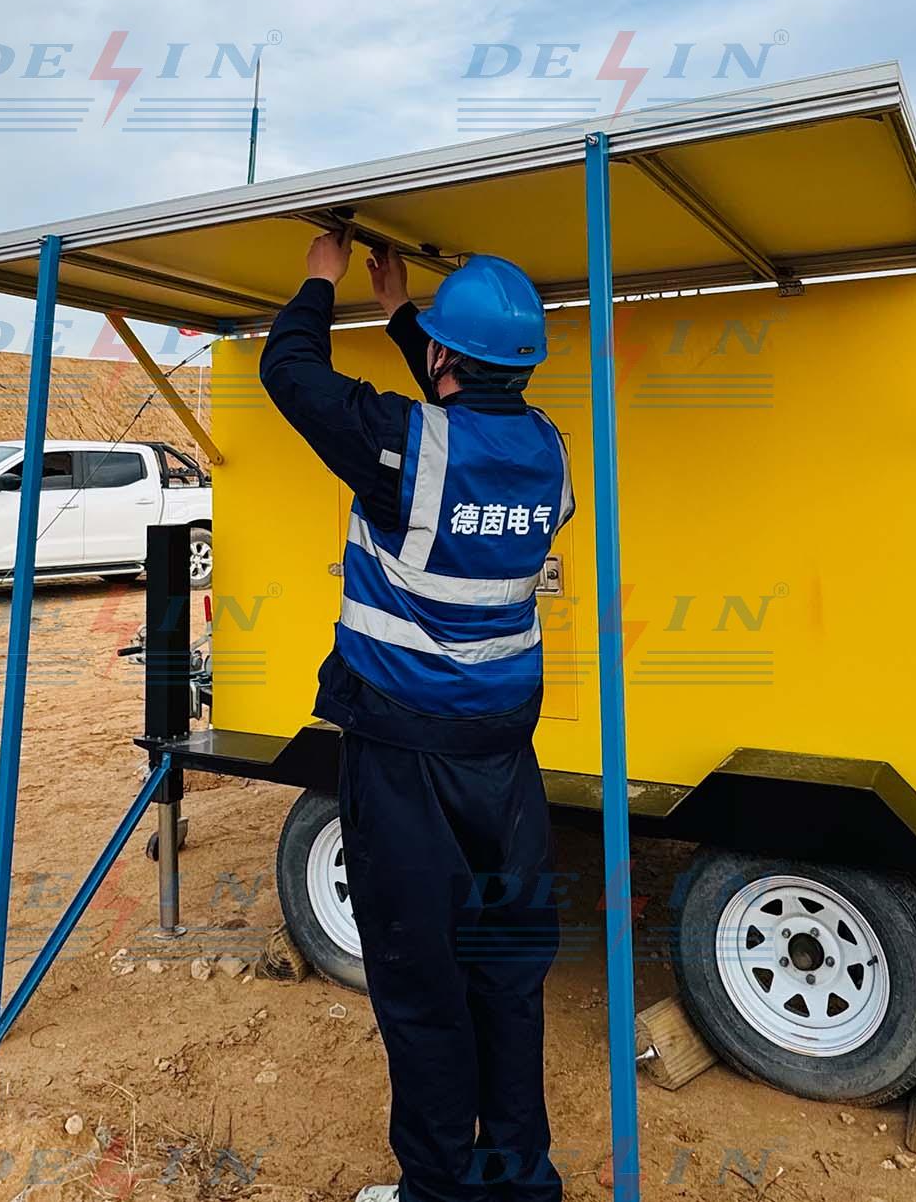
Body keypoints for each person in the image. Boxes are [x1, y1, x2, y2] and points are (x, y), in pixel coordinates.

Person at [259, 228, 571, 1202]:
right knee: (503, 977)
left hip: (406, 758)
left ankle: (436, 1190)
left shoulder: (404, 447)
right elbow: (463, 424)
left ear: (443, 356)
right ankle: (520, 1181)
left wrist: (323, 281)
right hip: (503, 761)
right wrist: (404, 318)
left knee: (420, 981)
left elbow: (290, 372)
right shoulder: (547, 451)